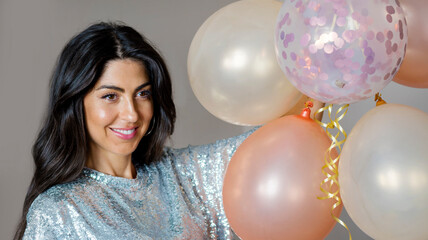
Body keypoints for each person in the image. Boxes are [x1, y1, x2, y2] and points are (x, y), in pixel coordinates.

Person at [14, 22, 258, 240]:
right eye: (111, 96)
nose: (132, 114)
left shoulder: (183, 173)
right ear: (75, 103)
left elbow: (267, 146)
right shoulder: (57, 212)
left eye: (143, 94)